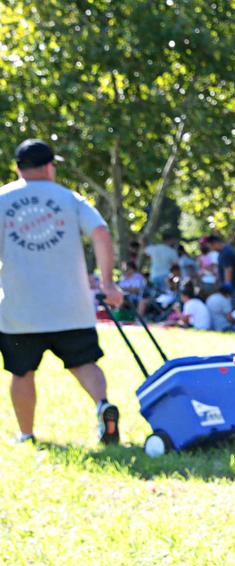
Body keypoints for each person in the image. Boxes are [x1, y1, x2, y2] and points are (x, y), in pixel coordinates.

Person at [0, 138, 123, 444]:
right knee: (84, 363)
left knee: (22, 371)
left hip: (19, 308)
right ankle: (102, 406)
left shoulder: (2, 199)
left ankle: (26, 434)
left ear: (17, 168)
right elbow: (101, 232)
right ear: (50, 167)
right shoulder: (71, 198)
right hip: (71, 305)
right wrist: (107, 283)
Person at [207, 232, 235, 308]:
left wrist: (227, 284)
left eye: (210, 246)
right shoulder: (224, 251)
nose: (210, 249)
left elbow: (228, 269)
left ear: (215, 243)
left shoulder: (226, 253)